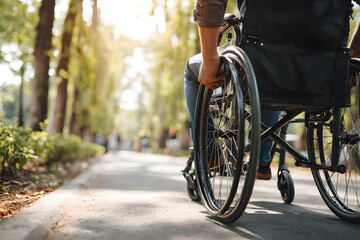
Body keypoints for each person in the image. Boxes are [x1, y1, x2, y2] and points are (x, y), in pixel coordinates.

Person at [184, 0, 281, 180]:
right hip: (320, 70)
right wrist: (351, 59)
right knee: (278, 69)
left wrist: (209, 56)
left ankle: (211, 152)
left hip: (257, 56)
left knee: (191, 71)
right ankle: (261, 158)